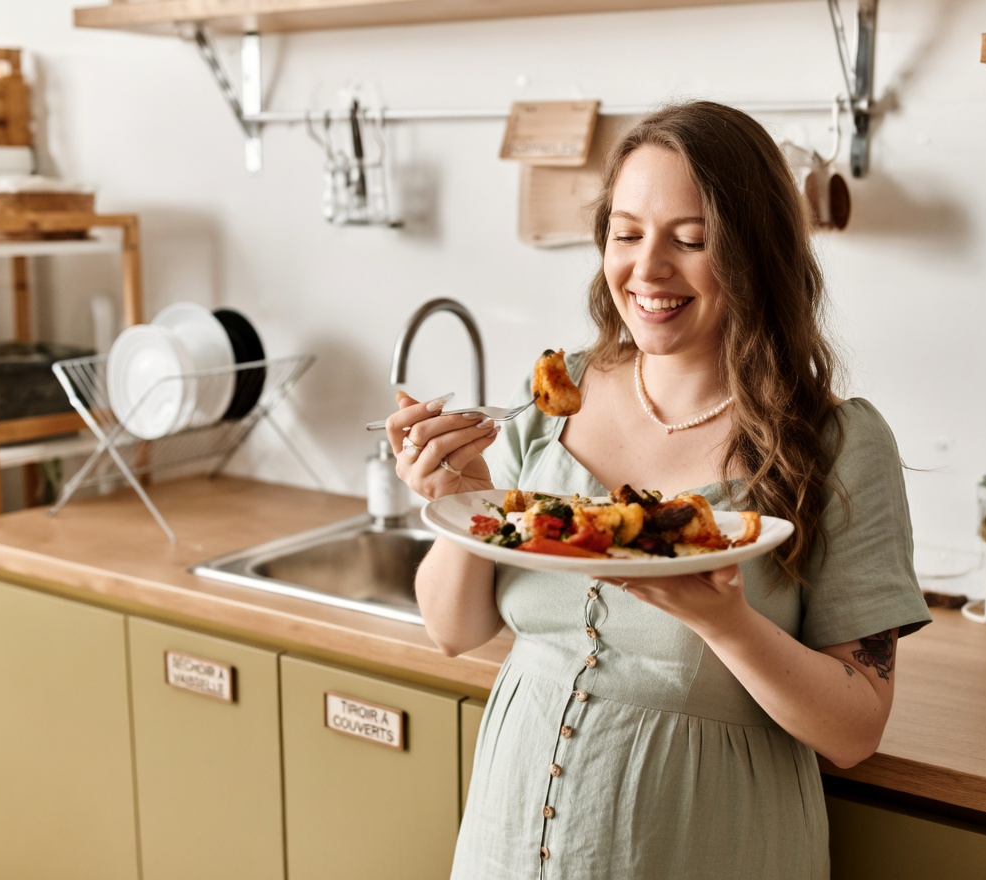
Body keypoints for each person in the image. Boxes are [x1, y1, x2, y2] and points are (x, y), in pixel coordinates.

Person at [382, 100, 932, 880]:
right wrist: (465, 501)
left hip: (705, 846)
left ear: (756, 254)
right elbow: (452, 627)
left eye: (692, 240)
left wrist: (727, 623)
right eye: (627, 233)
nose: (648, 270)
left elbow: (855, 729)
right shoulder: (554, 392)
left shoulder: (839, 445)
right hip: (504, 843)